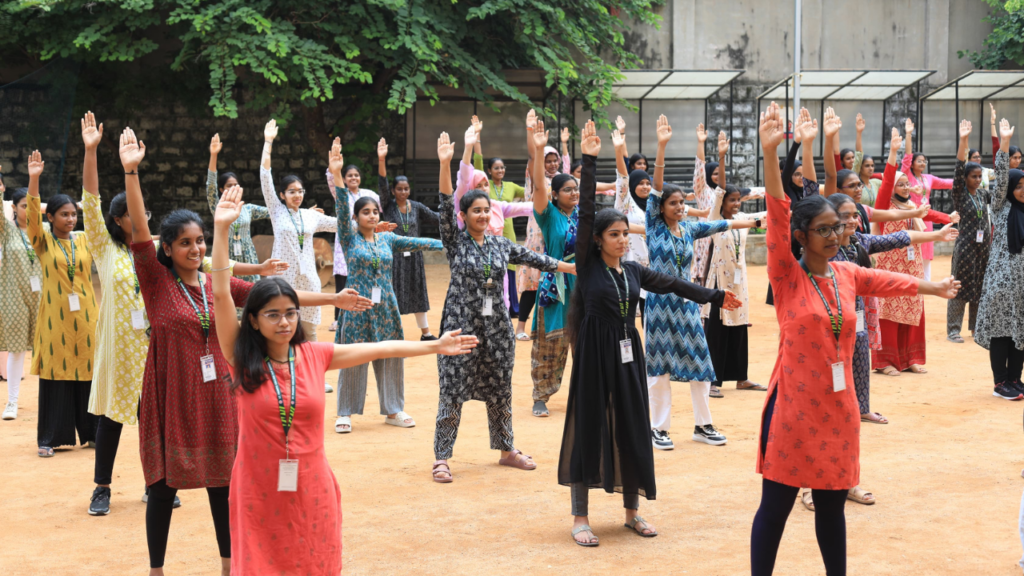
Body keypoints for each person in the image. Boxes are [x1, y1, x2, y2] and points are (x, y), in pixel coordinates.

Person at [118, 127, 365, 575]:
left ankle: (229, 566)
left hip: (217, 395)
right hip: (172, 393)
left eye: (199, 242)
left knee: (222, 483)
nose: (195, 249)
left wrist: (332, 298)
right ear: (168, 249)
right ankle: (156, 569)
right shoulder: (155, 282)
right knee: (161, 486)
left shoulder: (220, 283)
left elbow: (272, 297)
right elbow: (138, 230)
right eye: (185, 244)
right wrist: (131, 171)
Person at [209, 184, 476, 574]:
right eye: (272, 314)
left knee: (315, 562)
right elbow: (219, 295)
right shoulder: (241, 360)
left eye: (290, 313)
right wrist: (219, 232)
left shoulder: (314, 355)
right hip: (258, 489)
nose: (284, 322)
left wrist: (434, 346)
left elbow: (383, 348)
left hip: (313, 487)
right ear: (253, 319)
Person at [750, 101, 960, 576]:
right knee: (776, 508)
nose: (833, 236)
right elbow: (779, 211)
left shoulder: (846, 272)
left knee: (831, 509)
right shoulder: (787, 278)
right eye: (822, 230)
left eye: (837, 228)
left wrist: (935, 287)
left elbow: (890, 282)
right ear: (802, 237)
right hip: (793, 411)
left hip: (839, 410)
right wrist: (771, 153)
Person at [82, 114, 282, 516]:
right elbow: (97, 204)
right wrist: (98, 156)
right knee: (113, 418)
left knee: (161, 420)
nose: (143, 223)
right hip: (125, 350)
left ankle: (156, 483)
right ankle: (102, 486)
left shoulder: (165, 250)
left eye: (146, 219)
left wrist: (258, 272)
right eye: (133, 218)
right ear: (116, 220)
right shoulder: (107, 249)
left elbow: (210, 267)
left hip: (168, 347)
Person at [559, 120, 740, 546]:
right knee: (589, 427)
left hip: (627, 353)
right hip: (593, 355)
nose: (623, 240)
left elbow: (675, 284)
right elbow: (586, 213)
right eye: (614, 235)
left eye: (625, 234)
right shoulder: (587, 266)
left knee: (633, 427)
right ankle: (580, 518)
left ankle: (632, 512)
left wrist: (714, 295)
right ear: (598, 240)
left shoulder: (634, 270)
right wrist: (587, 159)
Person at [430, 131, 571, 482]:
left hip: (497, 331)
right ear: (463, 216)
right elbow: (445, 200)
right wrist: (446, 163)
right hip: (460, 330)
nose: (482, 215)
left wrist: (568, 267)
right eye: (475, 211)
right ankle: (442, 457)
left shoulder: (500, 244)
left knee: (500, 390)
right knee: (452, 392)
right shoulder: (455, 240)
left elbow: (534, 257)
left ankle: (507, 449)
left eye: (486, 210)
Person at [644, 115, 758, 450]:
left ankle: (703, 424)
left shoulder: (691, 229)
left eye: (682, 203)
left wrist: (751, 220)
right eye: (673, 203)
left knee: (700, 360)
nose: (680, 207)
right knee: (659, 367)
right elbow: (655, 186)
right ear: (661, 207)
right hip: (660, 304)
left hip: (687, 302)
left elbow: (721, 224)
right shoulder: (654, 227)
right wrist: (662, 148)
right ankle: (658, 428)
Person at [329, 138, 444, 434]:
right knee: (353, 355)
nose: (372, 216)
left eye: (375, 212)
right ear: (356, 218)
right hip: (355, 307)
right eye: (365, 212)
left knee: (391, 354)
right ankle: (345, 412)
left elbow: (417, 243)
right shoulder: (349, 237)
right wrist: (337, 173)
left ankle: (394, 408)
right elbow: (342, 208)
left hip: (386, 306)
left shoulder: (387, 239)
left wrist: (447, 242)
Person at [25, 150, 99, 458]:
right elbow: (29, 216)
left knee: (87, 370)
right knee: (57, 371)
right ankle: (50, 438)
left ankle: (92, 433)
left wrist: (90, 152)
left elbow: (94, 210)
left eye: (73, 214)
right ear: (50, 217)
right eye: (64, 215)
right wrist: (34, 179)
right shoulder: (42, 241)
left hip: (86, 316)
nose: (70, 219)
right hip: (55, 318)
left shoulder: (83, 240)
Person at [259, 119, 339, 392]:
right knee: (282, 327)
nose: (297, 195)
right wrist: (268, 142)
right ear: (281, 195)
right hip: (284, 280)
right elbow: (265, 177)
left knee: (310, 329)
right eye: (291, 191)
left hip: (310, 280)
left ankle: (314, 376)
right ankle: (281, 375)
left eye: (300, 191)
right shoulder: (277, 211)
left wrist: (370, 223)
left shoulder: (310, 216)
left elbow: (339, 224)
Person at [871, 127, 957, 377]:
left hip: (912, 264)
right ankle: (885, 361)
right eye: (901, 184)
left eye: (907, 183)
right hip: (889, 265)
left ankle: (909, 359)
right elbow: (887, 181)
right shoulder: (884, 205)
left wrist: (946, 217)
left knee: (912, 308)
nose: (906, 187)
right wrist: (893, 153)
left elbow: (926, 213)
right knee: (888, 311)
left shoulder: (911, 204)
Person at [527, 119, 582, 418]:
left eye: (576, 189)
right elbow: (538, 185)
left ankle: (584, 393)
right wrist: (537, 150)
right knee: (550, 341)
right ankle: (541, 395)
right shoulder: (548, 216)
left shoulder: (585, 216)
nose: (574, 193)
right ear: (556, 193)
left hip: (582, 285)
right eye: (568, 190)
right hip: (555, 285)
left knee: (583, 342)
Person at [975, 119, 1024, 400]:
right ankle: (1000, 383)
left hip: (1021, 284)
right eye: (1019, 185)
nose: (1022, 190)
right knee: (1002, 332)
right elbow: (1003, 176)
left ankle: (1016, 379)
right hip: (1001, 284)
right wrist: (1004, 143)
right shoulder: (1001, 206)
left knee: (1021, 330)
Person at [703, 182, 767, 395]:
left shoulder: (741, 220)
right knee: (717, 333)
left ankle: (741, 377)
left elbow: (768, 213)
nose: (737, 203)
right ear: (722, 203)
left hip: (739, 284)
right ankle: (711, 381)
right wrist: (722, 158)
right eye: (732, 200)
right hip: (719, 284)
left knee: (739, 329)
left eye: (739, 199)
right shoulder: (714, 221)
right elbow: (719, 190)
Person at [376, 137, 440, 340]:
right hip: (393, 257)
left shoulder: (416, 206)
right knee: (391, 293)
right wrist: (381, 159)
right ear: (393, 191)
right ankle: (387, 332)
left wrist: (458, 215)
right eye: (399, 189)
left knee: (418, 294)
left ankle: (426, 333)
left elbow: (436, 218)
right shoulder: (387, 205)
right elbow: (382, 184)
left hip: (414, 258)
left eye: (406, 188)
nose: (403, 191)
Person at [515, 109, 570, 341]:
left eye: (554, 159)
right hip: (538, 236)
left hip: (557, 236)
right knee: (532, 283)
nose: (552, 164)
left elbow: (567, 168)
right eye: (547, 160)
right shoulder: (536, 181)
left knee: (560, 280)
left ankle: (557, 327)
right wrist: (530, 133)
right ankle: (520, 328)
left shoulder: (561, 181)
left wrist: (564, 146)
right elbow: (531, 160)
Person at [0, 182, 42, 422]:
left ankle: (49, 402)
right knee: (16, 350)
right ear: (14, 208)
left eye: (33, 205)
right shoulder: (6, 230)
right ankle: (12, 401)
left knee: (45, 350)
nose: (30, 210)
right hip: (14, 296)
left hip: (44, 296)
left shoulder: (45, 229)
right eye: (25, 206)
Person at [948, 120, 993, 345]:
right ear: (965, 178)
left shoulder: (983, 195)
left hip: (983, 245)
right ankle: (953, 330)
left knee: (979, 285)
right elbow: (957, 169)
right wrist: (963, 140)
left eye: (979, 176)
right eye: (973, 176)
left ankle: (976, 328)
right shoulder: (960, 194)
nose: (977, 179)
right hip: (965, 245)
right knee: (960, 285)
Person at [205, 133, 269, 285]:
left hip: (248, 256)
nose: (233, 188)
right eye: (229, 186)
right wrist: (213, 155)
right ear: (221, 189)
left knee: (251, 293)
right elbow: (210, 186)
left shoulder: (248, 209)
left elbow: (273, 211)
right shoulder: (218, 208)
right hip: (225, 255)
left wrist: (303, 211)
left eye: (236, 185)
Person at [326, 160, 380, 332]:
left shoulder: (370, 194)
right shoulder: (340, 194)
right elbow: (331, 180)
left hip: (367, 239)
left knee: (371, 276)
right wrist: (333, 166)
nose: (353, 178)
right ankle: (338, 318)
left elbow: (377, 215)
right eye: (349, 176)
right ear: (344, 179)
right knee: (343, 280)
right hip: (346, 242)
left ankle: (373, 311)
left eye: (356, 175)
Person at [901, 118, 954, 281]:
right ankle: (909, 281)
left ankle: (926, 283)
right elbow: (907, 157)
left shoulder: (928, 178)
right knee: (910, 250)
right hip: (910, 217)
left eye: (925, 161)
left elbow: (947, 183)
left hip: (927, 218)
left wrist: (965, 177)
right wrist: (908, 135)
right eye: (919, 160)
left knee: (926, 252)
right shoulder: (906, 175)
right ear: (912, 163)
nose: (923, 163)